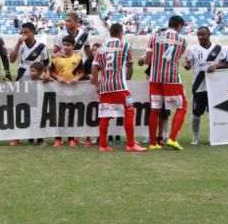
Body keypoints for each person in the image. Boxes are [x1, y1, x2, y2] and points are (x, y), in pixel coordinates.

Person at [92, 23, 147, 152]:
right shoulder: (125, 46)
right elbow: (129, 64)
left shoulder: (101, 48)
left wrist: (96, 84)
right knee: (129, 111)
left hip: (105, 87)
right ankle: (131, 144)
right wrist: (128, 77)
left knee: (104, 115)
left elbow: (94, 68)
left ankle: (103, 145)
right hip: (120, 87)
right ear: (120, 34)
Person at [143, 15, 188, 150]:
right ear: (179, 26)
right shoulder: (182, 40)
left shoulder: (154, 37)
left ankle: (152, 142)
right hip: (171, 78)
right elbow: (176, 58)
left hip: (155, 78)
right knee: (182, 106)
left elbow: (147, 60)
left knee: (155, 109)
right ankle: (172, 139)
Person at [183, 26, 227, 145]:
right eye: (199, 35)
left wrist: (216, 66)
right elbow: (188, 67)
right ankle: (195, 136)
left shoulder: (218, 48)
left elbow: (226, 64)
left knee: (216, 112)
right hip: (199, 86)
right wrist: (186, 64)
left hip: (215, 86)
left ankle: (213, 136)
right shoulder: (193, 49)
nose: (200, 37)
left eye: (203, 34)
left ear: (209, 34)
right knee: (196, 113)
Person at [50, 35, 84, 147]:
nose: (66, 47)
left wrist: (76, 78)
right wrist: (57, 77)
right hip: (59, 90)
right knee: (59, 114)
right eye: (64, 45)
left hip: (72, 90)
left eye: (68, 45)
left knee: (70, 114)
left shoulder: (78, 58)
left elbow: (82, 72)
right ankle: (58, 139)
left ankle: (71, 139)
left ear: (73, 46)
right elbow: (51, 72)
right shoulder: (56, 58)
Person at [11, 61, 46, 147]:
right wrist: (19, 83)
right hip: (28, 105)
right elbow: (16, 87)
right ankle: (30, 140)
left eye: (33, 71)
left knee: (39, 122)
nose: (31, 73)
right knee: (29, 122)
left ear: (40, 72)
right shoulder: (26, 79)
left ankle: (40, 140)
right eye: (30, 70)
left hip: (39, 106)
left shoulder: (43, 81)